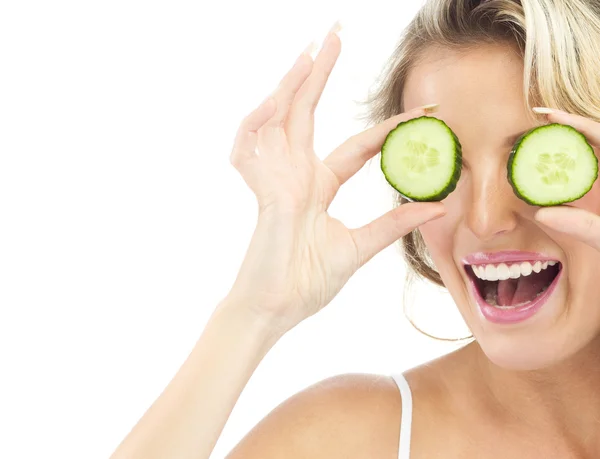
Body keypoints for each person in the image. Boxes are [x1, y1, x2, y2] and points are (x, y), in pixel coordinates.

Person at [109, 0, 600, 457]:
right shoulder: (349, 438)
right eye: (449, 166)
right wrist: (252, 313)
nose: (486, 219)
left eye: (538, 157)